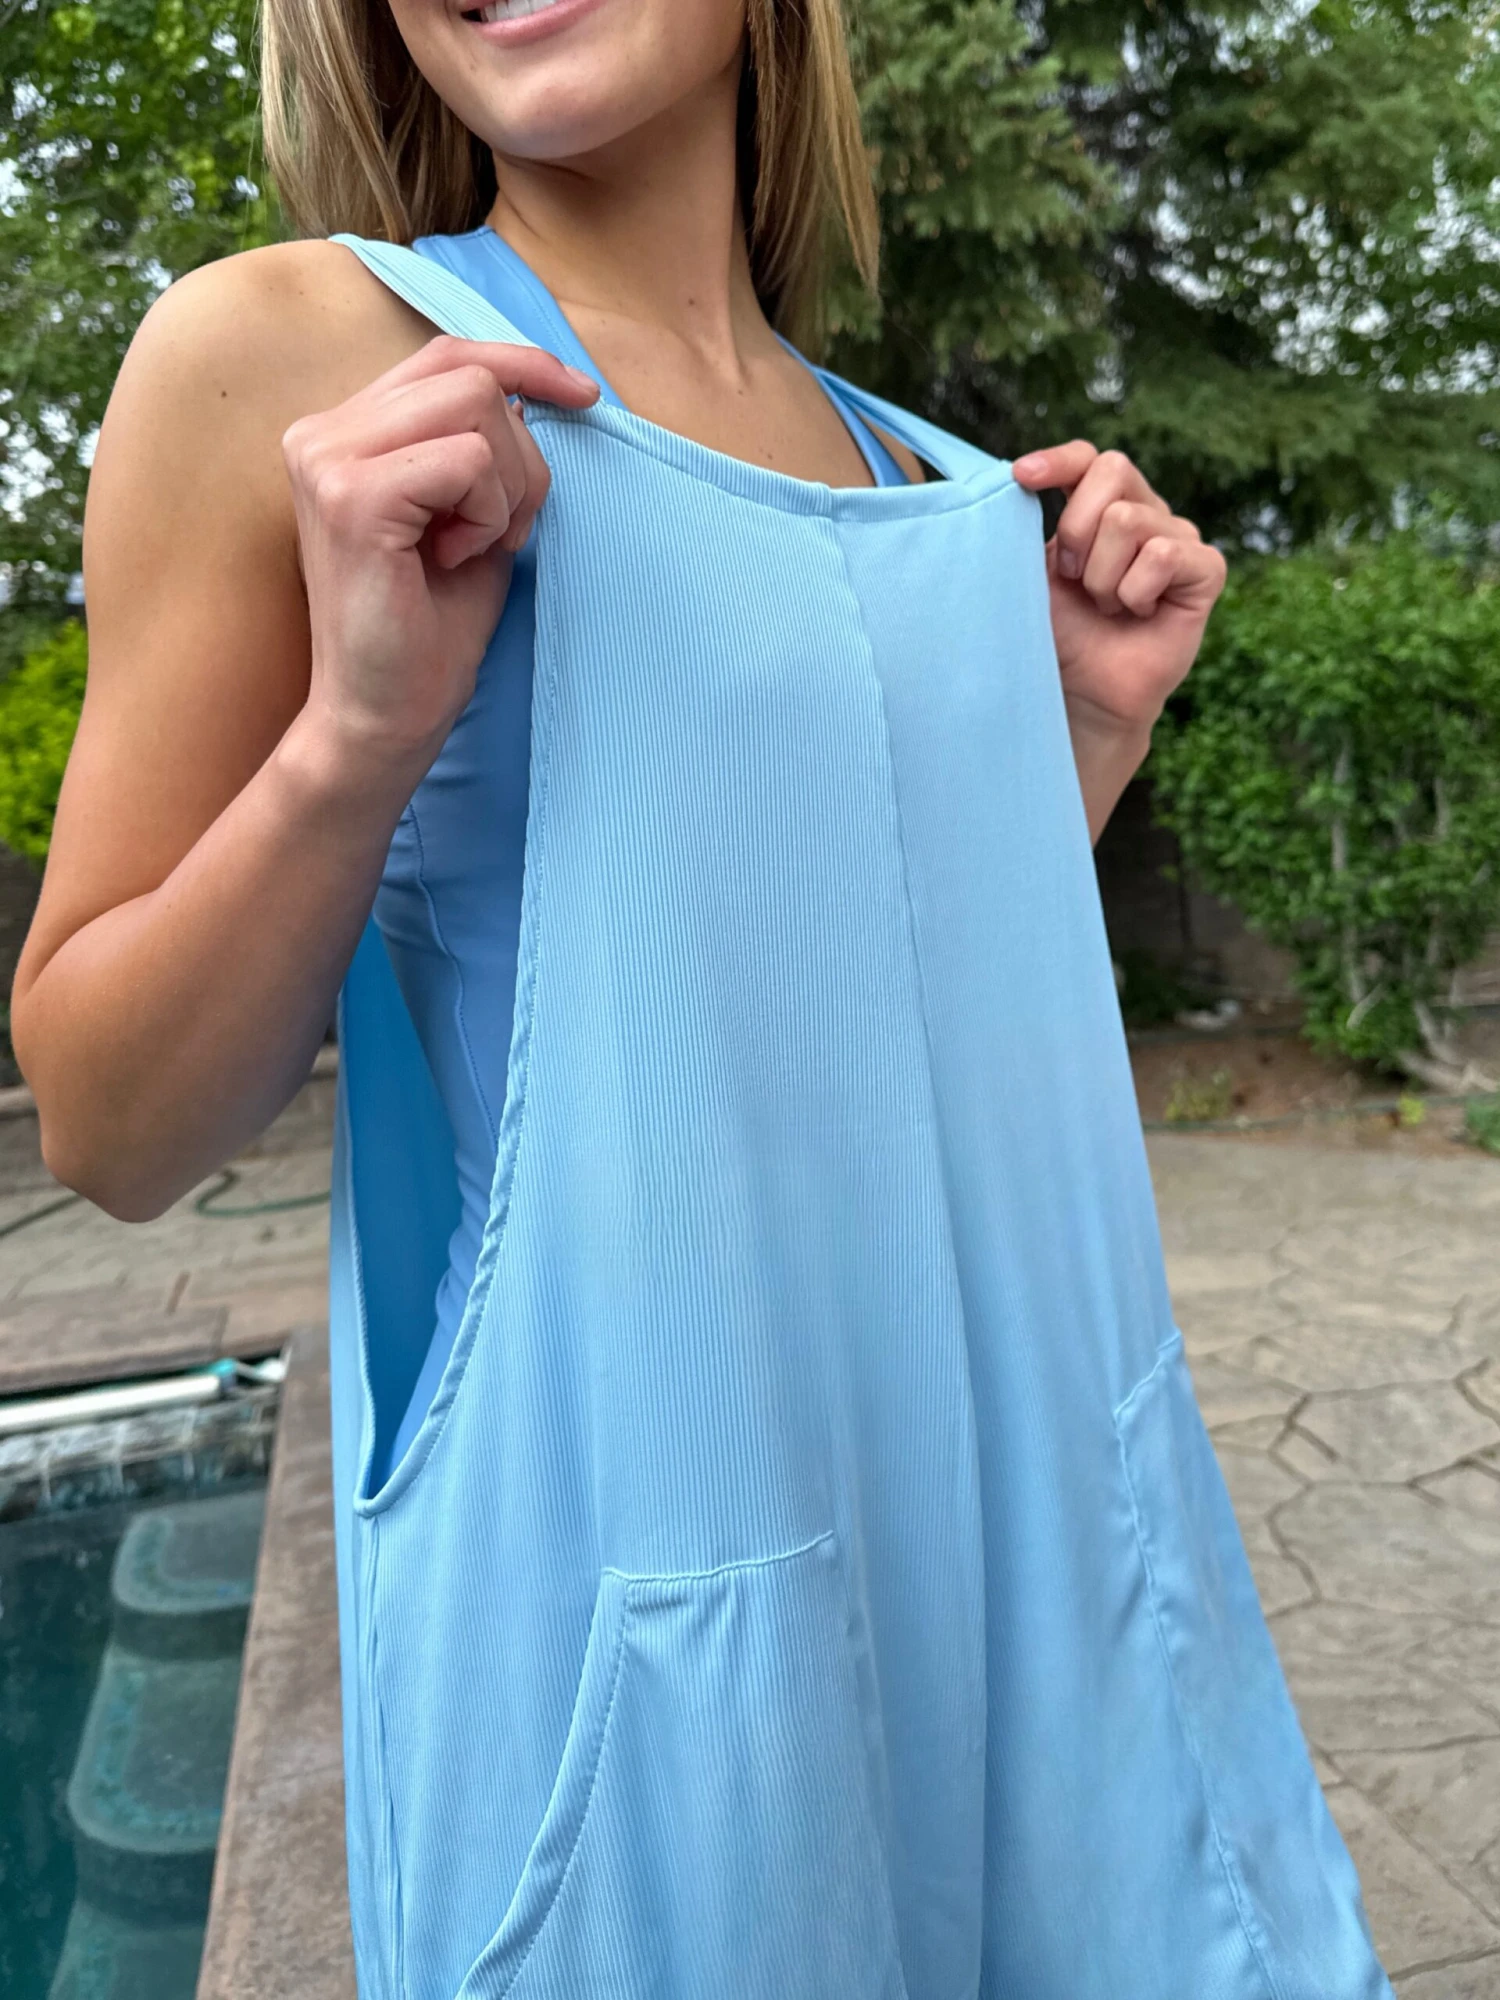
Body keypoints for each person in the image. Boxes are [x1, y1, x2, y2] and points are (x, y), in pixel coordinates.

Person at [13, 0, 1392, 1990]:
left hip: (1065, 1653)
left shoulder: (909, 467)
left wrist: (1072, 746)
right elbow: (108, 1126)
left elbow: (836, 1022)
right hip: (653, 1738)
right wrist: (353, 738)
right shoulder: (293, 357)